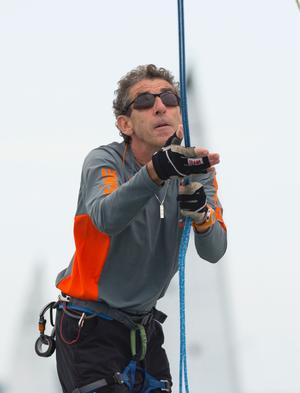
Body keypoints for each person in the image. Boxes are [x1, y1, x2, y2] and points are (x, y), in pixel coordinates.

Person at [54, 64, 227, 393]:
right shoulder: (104, 161)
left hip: (143, 333)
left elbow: (214, 251)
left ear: (180, 115)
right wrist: (156, 172)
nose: (160, 106)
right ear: (125, 124)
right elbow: (106, 217)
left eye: (169, 98)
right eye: (145, 101)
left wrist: (201, 215)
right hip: (88, 330)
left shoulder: (195, 171)